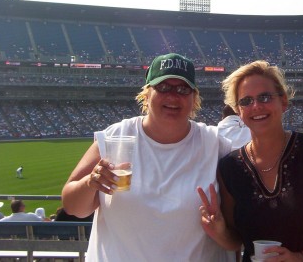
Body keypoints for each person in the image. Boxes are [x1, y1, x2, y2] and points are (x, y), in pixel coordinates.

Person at [61, 53, 235, 261]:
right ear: (146, 93)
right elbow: (72, 207)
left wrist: (221, 230)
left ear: (194, 97)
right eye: (163, 87)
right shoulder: (115, 136)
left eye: (182, 89)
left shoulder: (216, 144)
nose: (172, 96)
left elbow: (236, 234)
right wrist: (91, 183)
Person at [198, 60, 303, 262]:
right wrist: (218, 231)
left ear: (283, 101)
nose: (256, 106)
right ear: (238, 111)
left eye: (265, 97)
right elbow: (236, 240)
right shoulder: (230, 168)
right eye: (246, 101)